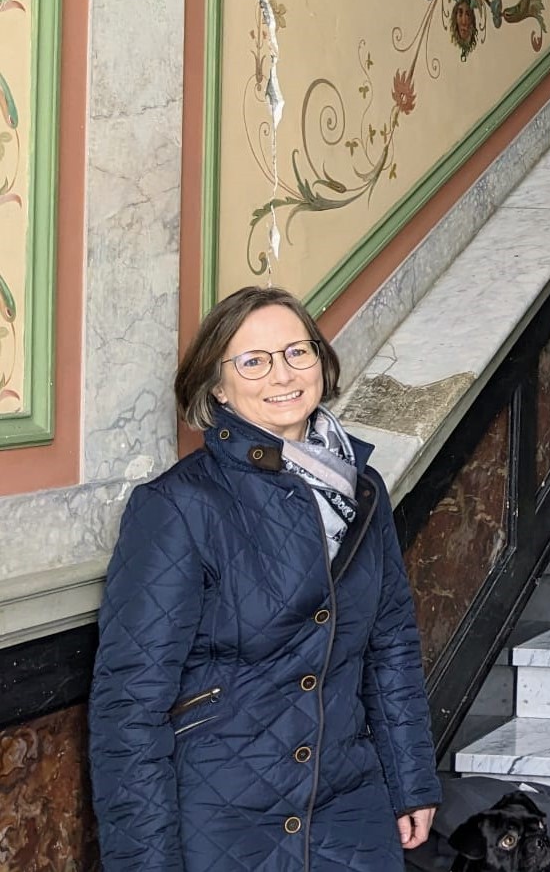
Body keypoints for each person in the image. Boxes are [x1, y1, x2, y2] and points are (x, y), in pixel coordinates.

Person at [90, 286, 440, 871]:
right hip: (221, 820)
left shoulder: (364, 492)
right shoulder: (179, 506)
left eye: (296, 352)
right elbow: (129, 706)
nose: (282, 373)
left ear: (321, 364)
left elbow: (390, 644)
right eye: (253, 361)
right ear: (217, 387)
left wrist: (411, 780)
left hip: (349, 811)